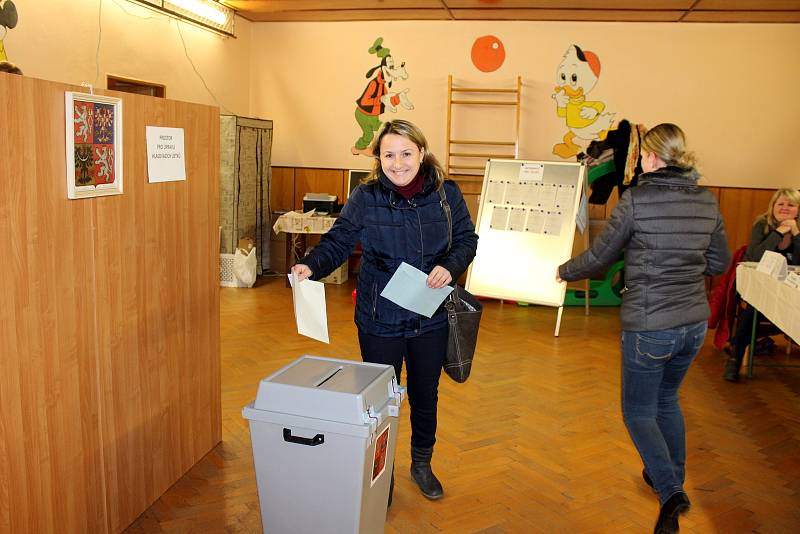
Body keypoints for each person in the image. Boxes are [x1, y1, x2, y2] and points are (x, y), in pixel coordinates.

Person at [292, 119, 478, 501]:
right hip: (380, 319)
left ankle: (422, 464)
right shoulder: (367, 197)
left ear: (422, 153)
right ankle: (383, 473)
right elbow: (339, 241)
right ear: (379, 158)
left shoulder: (447, 194)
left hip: (431, 316)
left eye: (406, 153)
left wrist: (451, 265)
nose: (398, 163)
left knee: (426, 396)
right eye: (389, 155)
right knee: (381, 401)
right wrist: (311, 264)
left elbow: (466, 239)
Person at [557, 123, 730, 534]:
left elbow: (599, 259)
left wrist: (563, 270)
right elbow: (720, 263)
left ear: (649, 158)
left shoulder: (637, 200)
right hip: (692, 325)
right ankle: (670, 474)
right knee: (667, 401)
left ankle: (671, 491)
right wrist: (682, 271)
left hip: (651, 326)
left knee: (637, 411)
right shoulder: (707, 201)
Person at [723, 188, 800, 381]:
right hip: (762, 287)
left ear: (798, 209)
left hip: (792, 288)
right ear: (772, 206)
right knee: (753, 309)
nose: (784, 208)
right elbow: (754, 256)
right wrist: (779, 232)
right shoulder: (762, 224)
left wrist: (796, 234)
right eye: (780, 204)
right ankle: (735, 358)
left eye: (790, 205)